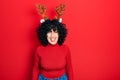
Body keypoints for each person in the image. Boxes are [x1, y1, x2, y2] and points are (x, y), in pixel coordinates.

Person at [32, 4, 74, 80]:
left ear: (60, 33)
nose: (52, 35)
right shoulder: (39, 50)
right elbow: (35, 70)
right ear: (44, 34)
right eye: (49, 32)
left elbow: (69, 69)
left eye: (55, 32)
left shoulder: (65, 49)